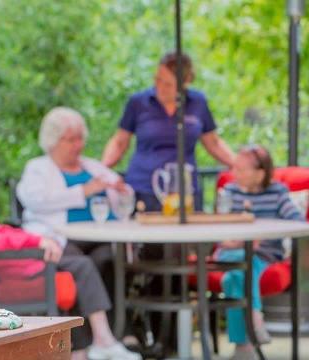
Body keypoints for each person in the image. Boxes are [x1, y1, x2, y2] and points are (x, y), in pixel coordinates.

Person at [0, 132, 141, 360]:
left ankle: (83, 350)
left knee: (75, 265)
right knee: (79, 265)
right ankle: (102, 342)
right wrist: (35, 240)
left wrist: (32, 239)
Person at [101, 52, 235, 211]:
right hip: (143, 188)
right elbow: (119, 142)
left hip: (186, 191)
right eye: (158, 80)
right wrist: (101, 169)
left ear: (185, 82)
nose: (160, 87)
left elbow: (213, 143)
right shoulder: (138, 102)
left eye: (168, 84)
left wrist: (240, 166)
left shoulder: (198, 102)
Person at [17, 107, 131, 293]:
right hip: (62, 237)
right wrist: (83, 191)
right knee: (82, 265)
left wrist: (121, 190)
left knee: (110, 260)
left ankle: (113, 319)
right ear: (52, 142)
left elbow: (125, 197)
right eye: (71, 140)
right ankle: (88, 320)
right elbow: (35, 201)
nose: (78, 145)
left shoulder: (92, 166)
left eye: (80, 138)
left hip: (103, 237)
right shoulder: (37, 168)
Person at [217, 145, 304, 360]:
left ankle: (243, 347)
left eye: (242, 169)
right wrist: (231, 242)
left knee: (233, 278)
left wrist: (263, 236)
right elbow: (218, 225)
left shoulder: (277, 193)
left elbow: (297, 222)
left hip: (263, 255)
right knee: (240, 262)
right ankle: (254, 319)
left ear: (261, 172)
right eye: (234, 168)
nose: (235, 174)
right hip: (230, 252)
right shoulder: (229, 192)